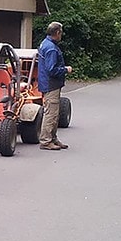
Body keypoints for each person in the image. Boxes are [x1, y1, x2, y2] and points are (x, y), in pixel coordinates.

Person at [38, 21, 72, 150]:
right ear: (57, 33)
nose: (61, 35)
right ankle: (46, 141)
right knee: (51, 113)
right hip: (50, 84)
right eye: (61, 32)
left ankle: (53, 138)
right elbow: (52, 69)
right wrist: (65, 69)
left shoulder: (45, 43)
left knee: (55, 113)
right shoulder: (51, 48)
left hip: (48, 83)